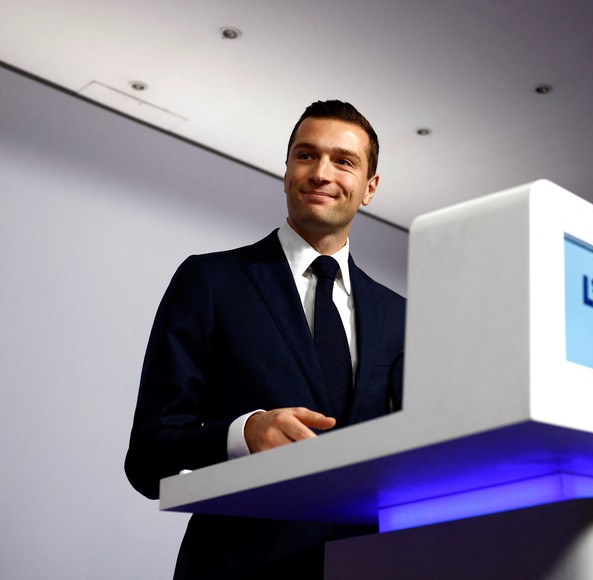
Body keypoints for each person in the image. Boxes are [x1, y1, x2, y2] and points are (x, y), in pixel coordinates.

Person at [125, 100, 406, 578]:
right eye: (305, 155)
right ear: (286, 171)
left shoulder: (399, 314)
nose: (321, 172)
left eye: (343, 161)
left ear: (369, 188)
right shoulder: (210, 281)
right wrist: (243, 433)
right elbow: (149, 459)